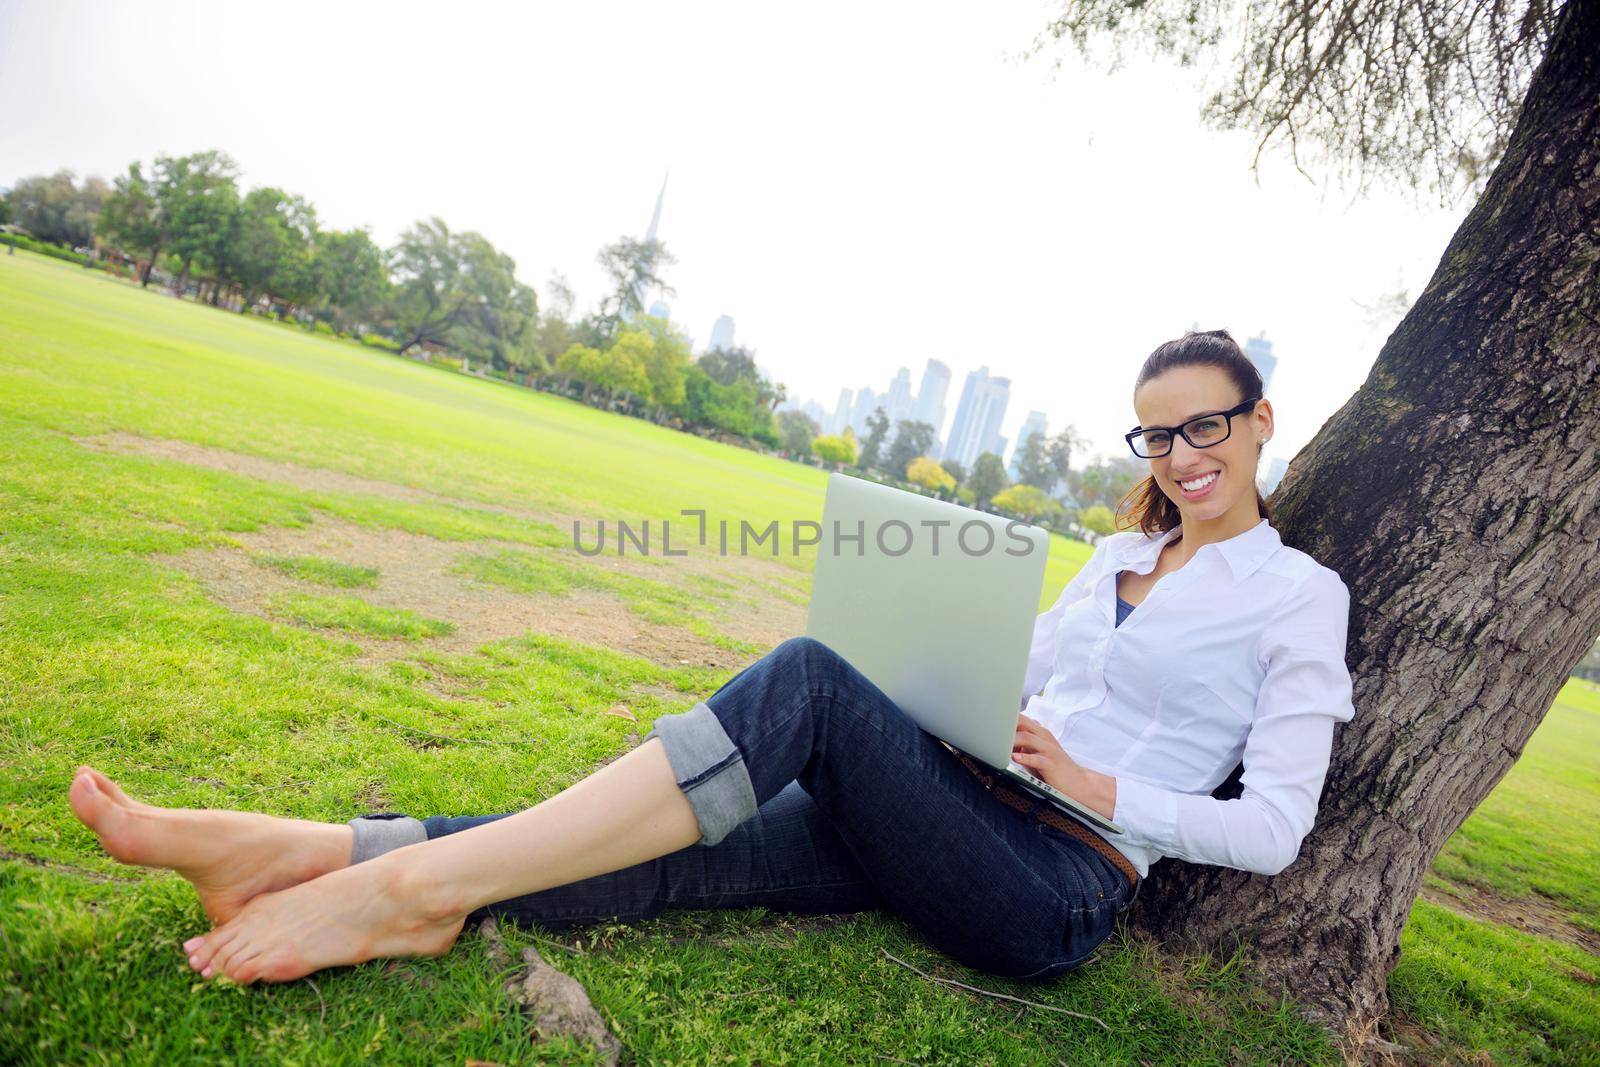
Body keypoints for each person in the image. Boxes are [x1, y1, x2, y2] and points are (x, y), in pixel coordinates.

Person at [66, 328, 1355, 986]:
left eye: (1206, 427)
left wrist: (1096, 787)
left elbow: (1282, 829)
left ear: (1260, 424)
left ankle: (390, 894)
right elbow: (1019, 684)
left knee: (803, 678)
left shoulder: (1299, 599)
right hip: (957, 808)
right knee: (667, 849)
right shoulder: (1112, 562)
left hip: (1056, 880)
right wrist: (953, 689)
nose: (1183, 456)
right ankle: (300, 852)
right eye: (1155, 436)